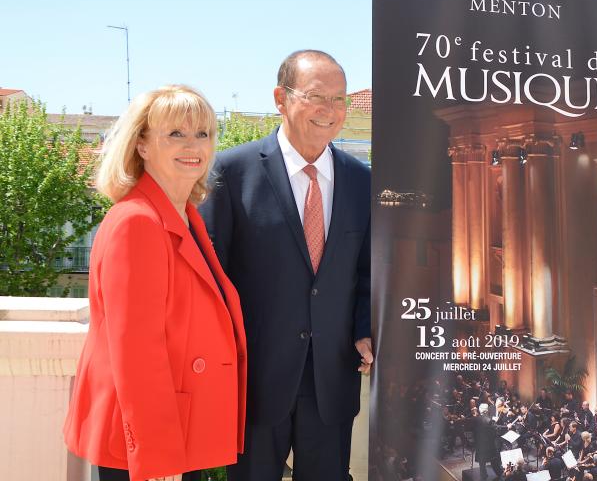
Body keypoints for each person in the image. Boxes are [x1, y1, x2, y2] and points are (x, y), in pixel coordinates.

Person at [201, 50, 372, 480]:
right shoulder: (229, 172)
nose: (329, 111)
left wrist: (365, 328)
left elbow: (367, 272)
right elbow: (210, 278)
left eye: (338, 99)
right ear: (281, 98)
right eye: (316, 96)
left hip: (332, 379)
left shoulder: (362, 180)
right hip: (255, 381)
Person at [64, 86, 247, 481]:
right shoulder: (138, 222)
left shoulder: (185, 216)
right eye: (176, 134)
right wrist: (158, 457)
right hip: (148, 444)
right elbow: (136, 353)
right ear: (142, 144)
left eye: (203, 133)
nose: (193, 145)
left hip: (179, 427)